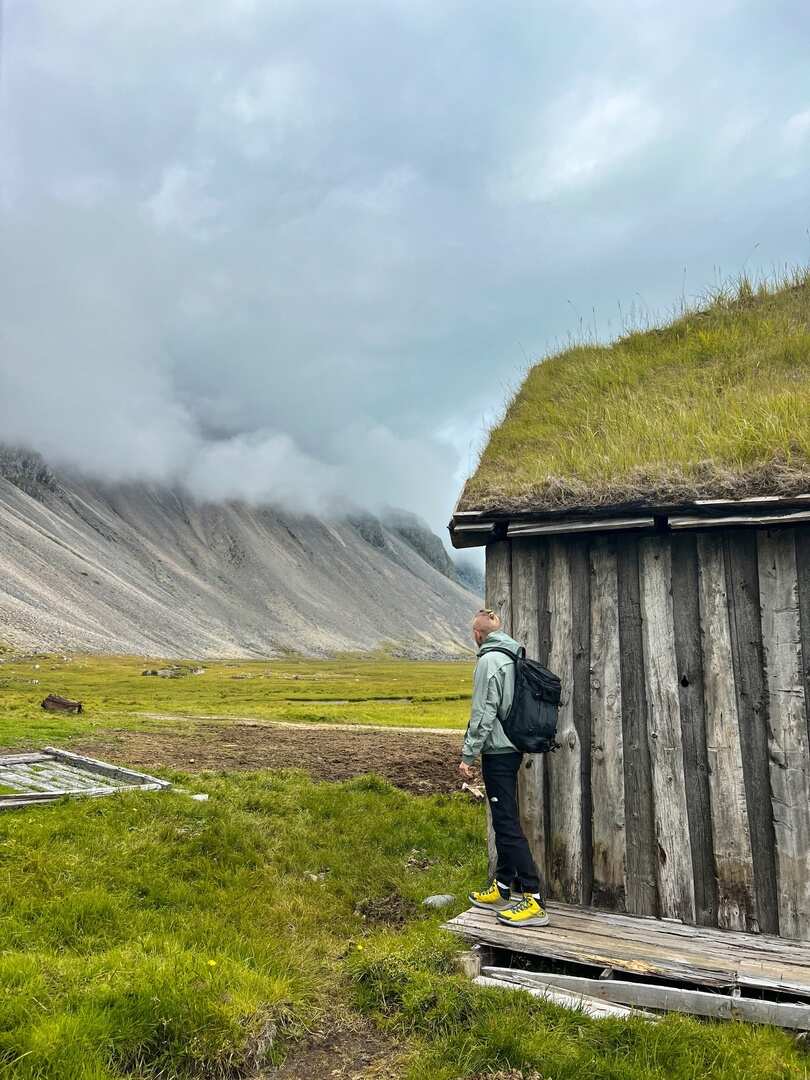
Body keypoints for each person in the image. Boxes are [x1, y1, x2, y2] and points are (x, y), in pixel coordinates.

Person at [459, 608, 549, 927]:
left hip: (497, 751)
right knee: (502, 817)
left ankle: (533, 900)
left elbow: (483, 713)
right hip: (512, 746)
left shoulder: (488, 661)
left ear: (477, 634)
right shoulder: (513, 654)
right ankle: (501, 887)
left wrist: (467, 756)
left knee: (507, 823)